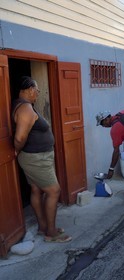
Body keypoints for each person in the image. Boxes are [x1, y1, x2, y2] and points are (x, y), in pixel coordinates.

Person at [12, 76, 72, 243]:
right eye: (37, 91)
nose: (37, 94)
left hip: (37, 157)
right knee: (54, 191)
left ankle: (42, 226)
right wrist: (17, 150)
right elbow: (19, 139)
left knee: (36, 190)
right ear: (30, 89)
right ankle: (51, 233)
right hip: (36, 159)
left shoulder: (25, 106)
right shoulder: (25, 109)